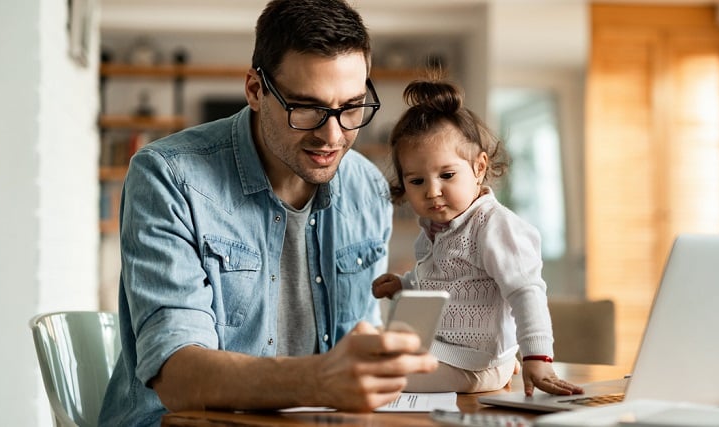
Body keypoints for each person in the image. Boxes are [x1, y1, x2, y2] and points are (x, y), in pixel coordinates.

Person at [99, 0, 438, 424]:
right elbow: (178, 378)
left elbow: (361, 349)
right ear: (256, 90)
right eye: (307, 108)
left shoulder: (368, 187)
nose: (332, 135)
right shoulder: (168, 177)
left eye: (352, 107)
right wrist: (320, 380)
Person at [371, 75, 585, 396]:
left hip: (473, 363)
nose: (432, 191)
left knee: (380, 377)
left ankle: (500, 367)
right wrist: (405, 284)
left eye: (447, 175)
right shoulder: (433, 230)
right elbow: (444, 283)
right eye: (416, 181)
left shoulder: (494, 227)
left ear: (480, 167)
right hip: (448, 350)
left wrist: (536, 356)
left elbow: (526, 292)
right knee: (370, 349)